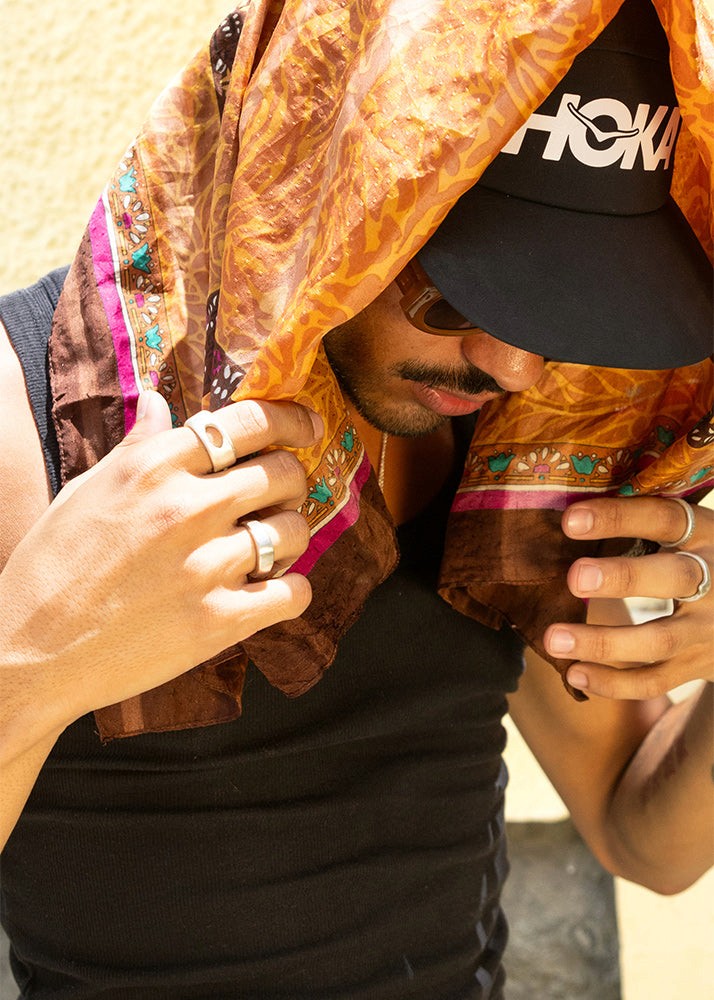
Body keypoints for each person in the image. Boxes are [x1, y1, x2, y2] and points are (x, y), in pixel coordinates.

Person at [0, 1, 712, 997]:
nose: (511, 364)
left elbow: (644, 834)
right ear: (307, 184)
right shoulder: (27, 418)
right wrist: (35, 662)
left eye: (552, 308)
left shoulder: (499, 454)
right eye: (458, 296)